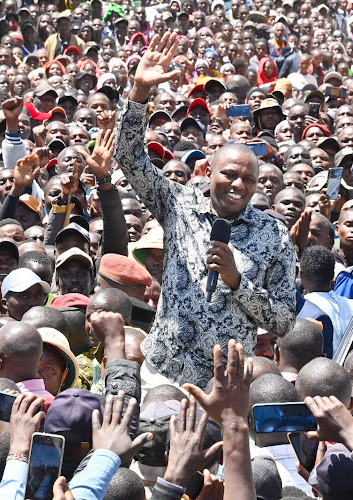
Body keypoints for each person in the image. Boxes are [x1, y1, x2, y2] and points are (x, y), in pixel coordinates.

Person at [114, 33, 296, 388]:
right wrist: (138, 93)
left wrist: (237, 283)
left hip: (222, 383)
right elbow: (130, 158)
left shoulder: (273, 235)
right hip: (163, 371)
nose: (238, 185)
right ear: (208, 173)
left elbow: (285, 322)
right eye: (228, 174)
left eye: (248, 179)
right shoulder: (178, 203)